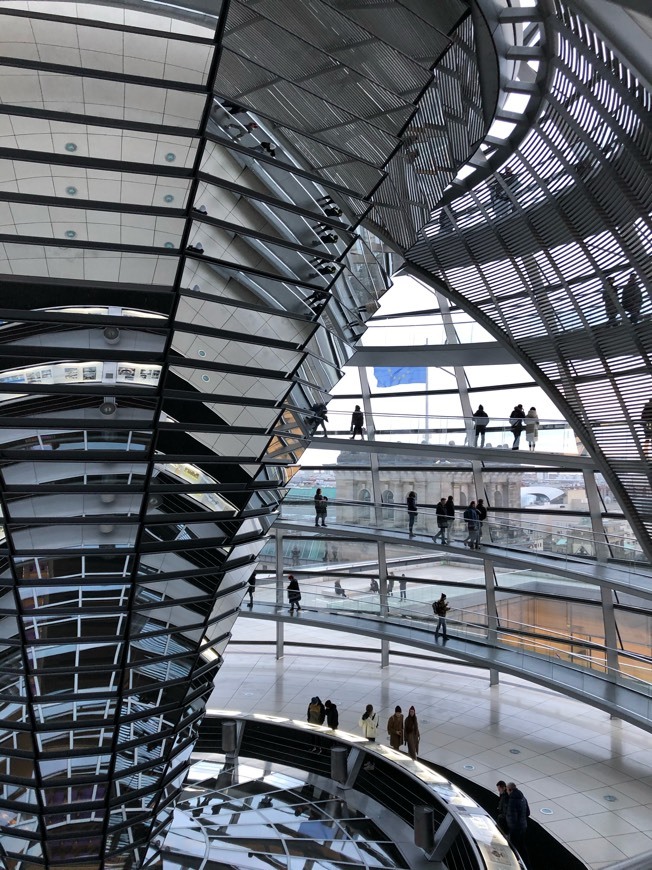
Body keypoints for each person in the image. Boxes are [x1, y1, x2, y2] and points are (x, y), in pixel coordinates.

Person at [506, 782, 531, 866]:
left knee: (514, 847)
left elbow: (512, 817)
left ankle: (515, 864)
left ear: (510, 789)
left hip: (516, 829)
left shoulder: (512, 800)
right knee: (522, 846)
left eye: (507, 789)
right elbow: (528, 813)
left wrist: (509, 830)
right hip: (523, 826)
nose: (507, 792)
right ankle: (526, 864)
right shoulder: (523, 798)